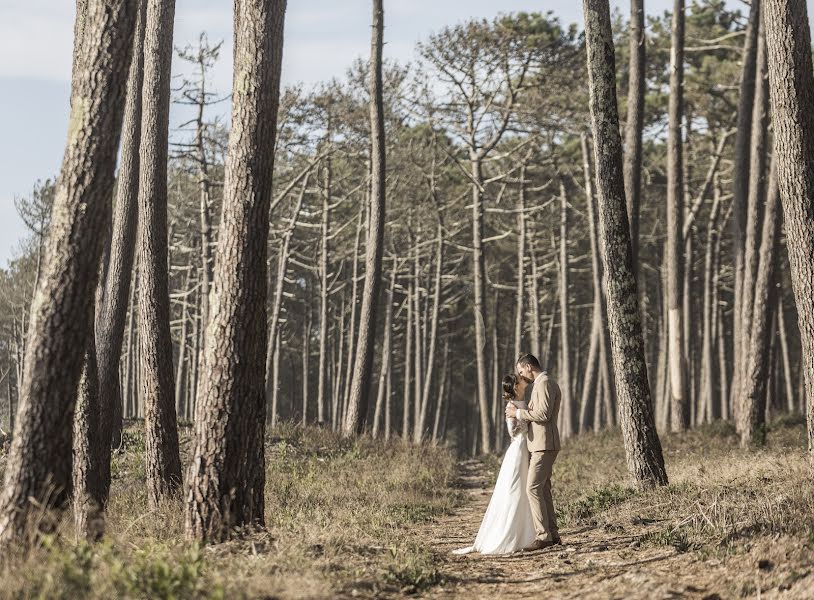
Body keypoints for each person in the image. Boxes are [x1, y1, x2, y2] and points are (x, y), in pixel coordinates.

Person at [453, 374, 537, 555]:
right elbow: (513, 431)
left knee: (525, 491)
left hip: (527, 450)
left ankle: (526, 534)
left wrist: (526, 414)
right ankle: (509, 535)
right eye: (519, 380)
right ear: (515, 387)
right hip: (517, 452)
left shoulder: (524, 403)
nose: (523, 380)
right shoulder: (511, 407)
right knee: (514, 490)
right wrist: (524, 418)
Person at [506, 353, 562, 550]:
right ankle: (553, 534)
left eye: (521, 371)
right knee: (543, 489)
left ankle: (544, 536)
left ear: (529, 366)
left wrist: (518, 413)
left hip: (544, 444)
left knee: (532, 488)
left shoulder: (545, 383)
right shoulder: (541, 384)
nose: (521, 376)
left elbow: (544, 415)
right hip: (540, 443)